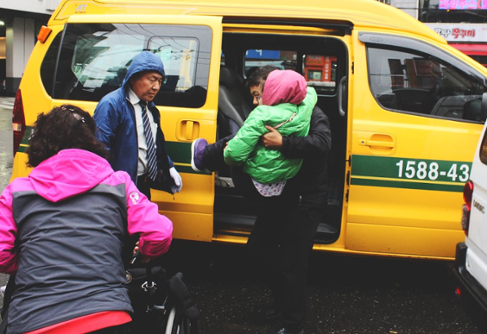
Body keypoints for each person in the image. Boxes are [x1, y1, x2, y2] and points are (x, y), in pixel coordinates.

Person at [0, 105, 174, 334]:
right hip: (108, 316)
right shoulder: (119, 183)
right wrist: (144, 256)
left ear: (40, 143)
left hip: (33, 320)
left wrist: (30, 264)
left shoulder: (18, 191)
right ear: (91, 140)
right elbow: (159, 232)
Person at [192, 65, 332, 334]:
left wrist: (284, 142)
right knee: (259, 250)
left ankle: (292, 325)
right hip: (281, 197)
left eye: (261, 94)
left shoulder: (309, 110)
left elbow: (323, 142)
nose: (257, 101)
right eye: (254, 97)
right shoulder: (269, 113)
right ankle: (282, 305)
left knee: (292, 265)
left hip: (306, 200)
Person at [94, 51, 183, 200]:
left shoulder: (150, 108)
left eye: (160, 81)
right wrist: (109, 189)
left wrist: (169, 167)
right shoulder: (112, 105)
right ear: (133, 77)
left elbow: (154, 145)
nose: (156, 87)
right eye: (152, 80)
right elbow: (100, 150)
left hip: (141, 186)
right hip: (118, 189)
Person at [222, 69, 317, 196]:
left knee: (228, 144)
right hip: (287, 175)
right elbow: (310, 92)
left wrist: (283, 142)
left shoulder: (262, 114)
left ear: (274, 92)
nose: (254, 102)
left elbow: (234, 155)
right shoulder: (305, 107)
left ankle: (202, 156)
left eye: (258, 96)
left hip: (259, 178)